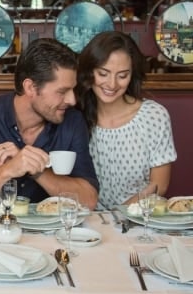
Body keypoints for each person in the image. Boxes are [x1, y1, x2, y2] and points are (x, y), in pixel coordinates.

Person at [0, 38, 99, 210]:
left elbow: (89, 200)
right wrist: (9, 169)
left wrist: (37, 171)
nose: (72, 100)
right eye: (62, 91)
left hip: (53, 234)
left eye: (73, 90)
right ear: (30, 88)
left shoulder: (73, 121)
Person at [75, 31, 176, 210]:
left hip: (138, 219)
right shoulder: (76, 115)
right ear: (89, 72)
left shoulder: (154, 116)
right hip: (86, 221)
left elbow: (159, 185)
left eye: (122, 76)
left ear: (132, 77)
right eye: (103, 73)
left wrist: (119, 215)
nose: (112, 84)